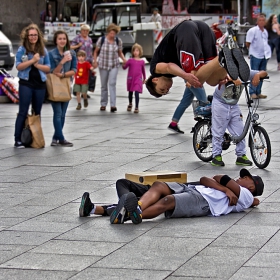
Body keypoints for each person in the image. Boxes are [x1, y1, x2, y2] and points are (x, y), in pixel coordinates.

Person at [79, 168, 264, 225]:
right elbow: (207, 178)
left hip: (204, 203)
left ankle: (132, 214)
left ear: (252, 186)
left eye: (246, 178)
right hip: (195, 189)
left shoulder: (246, 195)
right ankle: (132, 209)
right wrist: (225, 190)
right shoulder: (234, 192)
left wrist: (227, 187)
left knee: (167, 201)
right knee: (160, 186)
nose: (241, 178)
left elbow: (222, 178)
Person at [146, 20, 250, 98]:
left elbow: (169, 66)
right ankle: (226, 56)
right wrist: (226, 75)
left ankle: (222, 55)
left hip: (185, 31)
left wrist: (186, 76)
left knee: (195, 80)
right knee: (214, 80)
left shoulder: (154, 70)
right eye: (166, 91)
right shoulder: (172, 74)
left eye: (162, 89)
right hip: (204, 30)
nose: (167, 89)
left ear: (155, 80)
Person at [211, 70, 268, 167]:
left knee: (240, 130)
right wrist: (232, 79)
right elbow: (219, 78)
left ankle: (241, 156)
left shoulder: (244, 71)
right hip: (220, 103)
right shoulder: (225, 70)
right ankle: (216, 155)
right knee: (218, 131)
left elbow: (264, 73)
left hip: (233, 103)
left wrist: (258, 75)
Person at [14, 24, 50, 148]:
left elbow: (48, 68)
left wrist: (38, 65)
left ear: (38, 36)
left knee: (37, 112)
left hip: (40, 84)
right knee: (23, 111)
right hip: (26, 83)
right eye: (31, 35)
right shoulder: (22, 49)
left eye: (35, 35)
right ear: (27, 36)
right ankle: (18, 139)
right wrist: (32, 61)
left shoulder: (43, 50)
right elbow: (18, 66)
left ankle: (36, 137)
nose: (33, 37)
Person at [48, 30, 77, 147]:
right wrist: (63, 61)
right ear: (56, 40)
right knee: (58, 113)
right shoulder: (51, 54)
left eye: (64, 39)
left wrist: (64, 75)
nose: (62, 41)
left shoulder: (72, 53)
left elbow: (74, 70)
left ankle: (56, 138)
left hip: (66, 84)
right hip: (54, 86)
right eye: (60, 39)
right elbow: (52, 71)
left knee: (63, 114)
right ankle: (61, 138)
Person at [93, 23, 126, 113]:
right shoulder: (102, 40)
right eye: (111, 33)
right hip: (103, 64)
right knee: (104, 85)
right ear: (108, 32)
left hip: (114, 65)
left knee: (112, 83)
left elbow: (120, 52)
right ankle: (103, 104)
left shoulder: (118, 41)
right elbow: (96, 51)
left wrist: (123, 59)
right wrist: (95, 61)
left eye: (114, 33)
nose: (112, 35)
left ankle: (113, 105)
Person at [246, 13, 271, 99]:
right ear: (257, 21)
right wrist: (251, 52)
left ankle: (258, 92)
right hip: (255, 55)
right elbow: (248, 43)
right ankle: (252, 92)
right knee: (254, 74)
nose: (261, 22)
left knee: (262, 75)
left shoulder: (265, 31)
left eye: (263, 20)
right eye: (260, 20)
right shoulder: (253, 30)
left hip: (264, 55)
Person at [71, 24, 95, 95]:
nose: (85, 32)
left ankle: (84, 92)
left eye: (87, 31)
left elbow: (91, 50)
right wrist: (78, 45)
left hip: (88, 60)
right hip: (79, 60)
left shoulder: (89, 39)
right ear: (81, 31)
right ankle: (76, 90)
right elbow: (71, 47)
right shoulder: (77, 38)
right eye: (84, 31)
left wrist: (92, 60)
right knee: (79, 75)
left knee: (86, 76)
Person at [122, 43, 146, 113]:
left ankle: (136, 107)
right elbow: (124, 67)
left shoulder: (142, 62)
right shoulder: (130, 60)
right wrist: (124, 63)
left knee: (136, 92)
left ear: (140, 52)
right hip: (131, 79)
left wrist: (144, 78)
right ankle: (130, 103)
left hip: (138, 79)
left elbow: (143, 70)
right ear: (132, 52)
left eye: (137, 51)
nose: (136, 52)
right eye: (134, 51)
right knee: (130, 92)